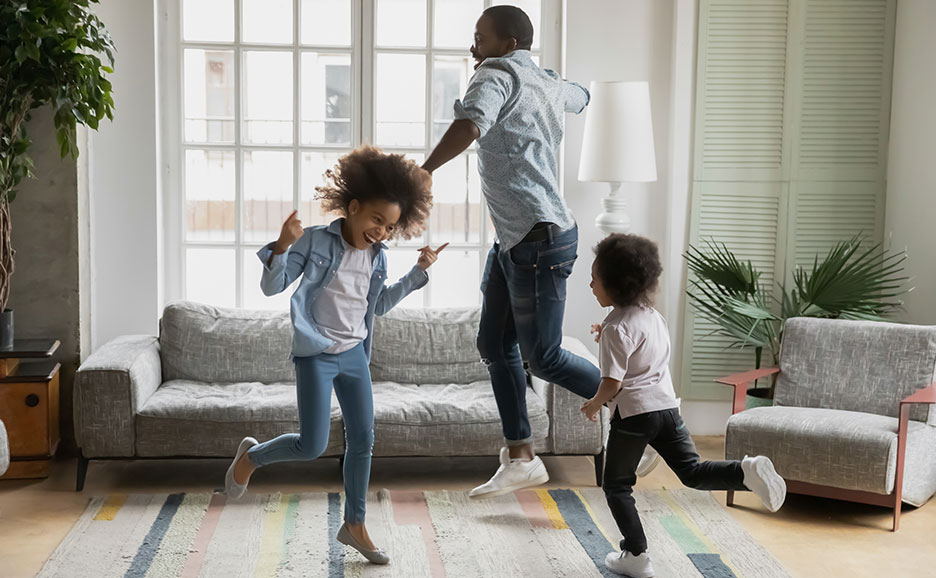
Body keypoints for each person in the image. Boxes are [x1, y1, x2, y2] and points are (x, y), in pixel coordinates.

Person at [421, 4, 658, 498]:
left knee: (544, 357)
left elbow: (471, 124)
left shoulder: (496, 72)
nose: (474, 47)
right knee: (493, 344)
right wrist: (572, 90)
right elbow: (581, 96)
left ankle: (645, 413)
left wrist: (424, 171)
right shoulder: (543, 79)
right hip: (517, 238)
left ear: (507, 44)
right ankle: (522, 456)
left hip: (538, 239)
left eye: (480, 38)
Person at [224, 146, 444, 565]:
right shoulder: (315, 241)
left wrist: (419, 273)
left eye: (389, 226)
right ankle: (251, 458)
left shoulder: (378, 258)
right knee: (312, 445)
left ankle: (355, 523)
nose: (381, 231)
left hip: (355, 355)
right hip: (317, 355)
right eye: (376, 220)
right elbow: (273, 287)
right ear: (355, 207)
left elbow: (377, 305)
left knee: (363, 440)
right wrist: (283, 247)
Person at [581, 233, 787, 578]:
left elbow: (613, 383)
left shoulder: (617, 328)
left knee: (616, 484)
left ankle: (636, 554)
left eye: (595, 279)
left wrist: (593, 404)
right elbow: (639, 346)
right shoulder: (651, 316)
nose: (590, 284)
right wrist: (608, 330)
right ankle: (745, 472)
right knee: (692, 471)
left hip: (633, 416)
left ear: (615, 285)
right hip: (666, 410)